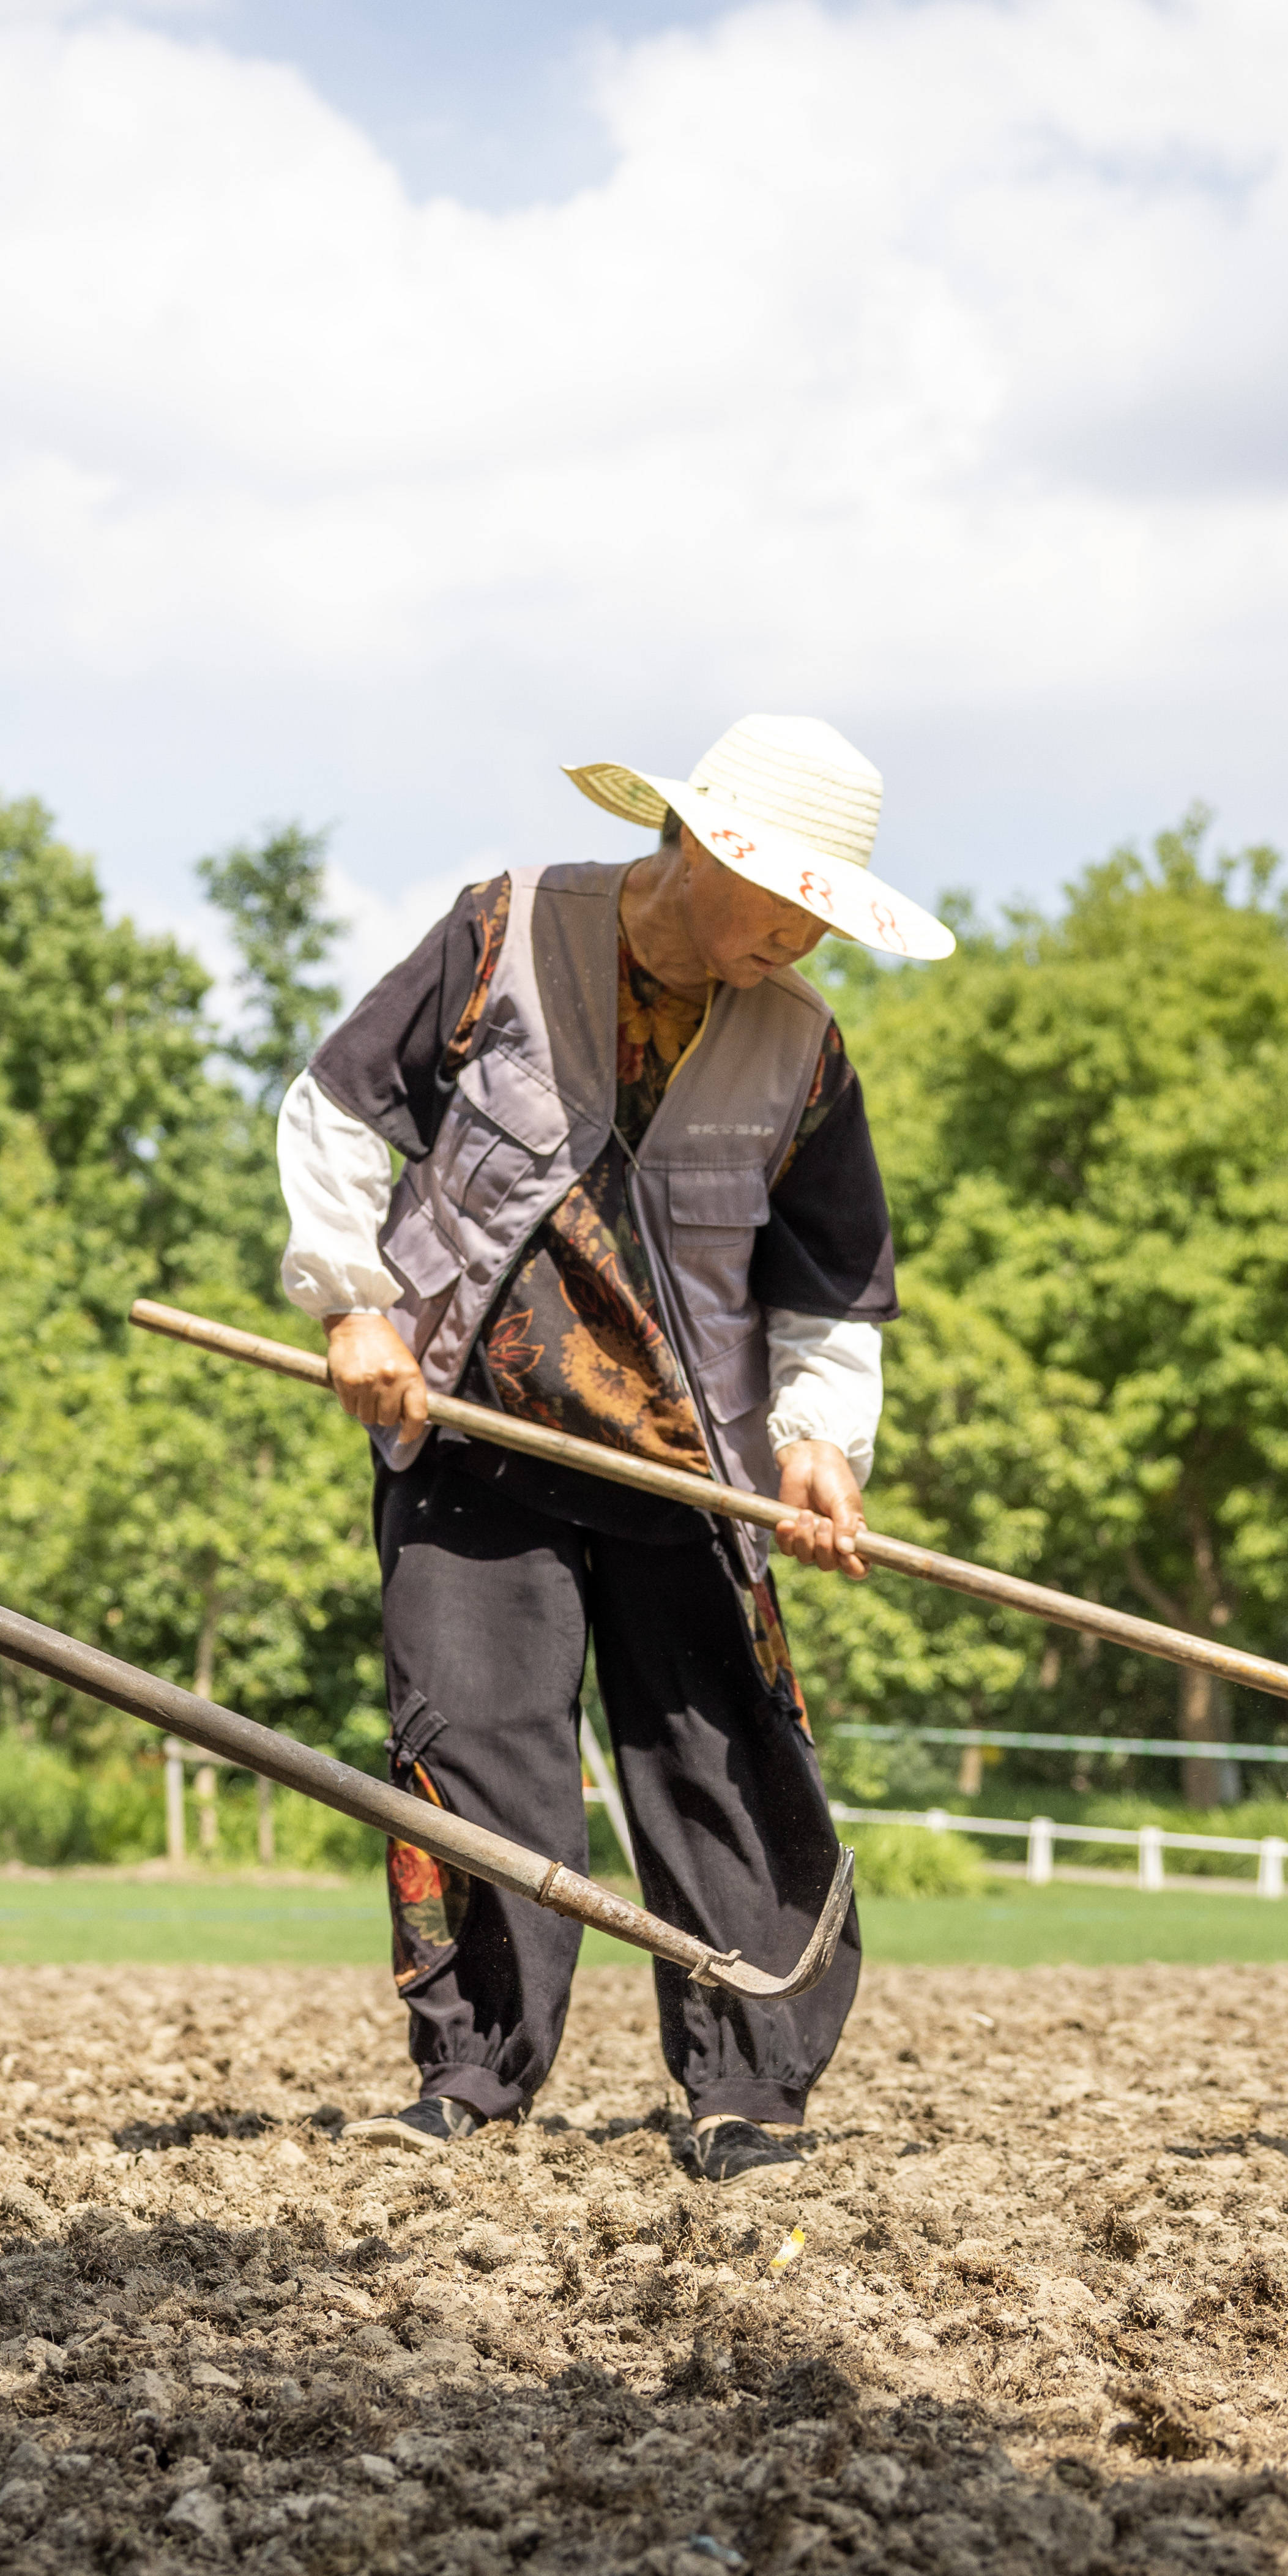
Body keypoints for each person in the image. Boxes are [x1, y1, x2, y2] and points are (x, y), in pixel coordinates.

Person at [276, 715, 942, 2182]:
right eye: (787, 901)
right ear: (700, 848)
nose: (800, 938)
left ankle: (746, 2091)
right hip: (470, 1434)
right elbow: (335, 1105)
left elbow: (828, 1290)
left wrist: (822, 1446)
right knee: (476, 1755)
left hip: (687, 1460)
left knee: (720, 1768)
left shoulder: (805, 1048)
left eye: (824, 915)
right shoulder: (504, 931)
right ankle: (474, 2079)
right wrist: (354, 1309)